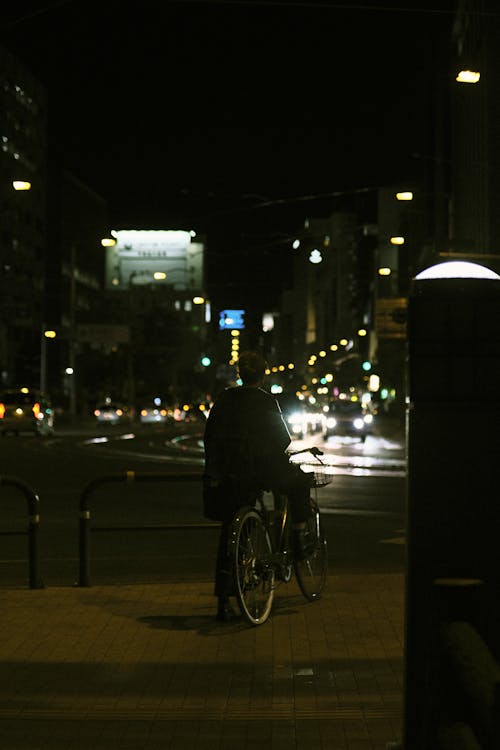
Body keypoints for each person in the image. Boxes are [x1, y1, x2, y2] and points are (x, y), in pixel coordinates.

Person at [203, 350, 313, 622]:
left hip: (229, 473)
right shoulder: (267, 402)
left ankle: (224, 602)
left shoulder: (225, 399)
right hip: (261, 471)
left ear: (239, 374)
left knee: (230, 532)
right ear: (263, 375)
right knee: (299, 481)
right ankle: (298, 537)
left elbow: (210, 436)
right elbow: (282, 440)